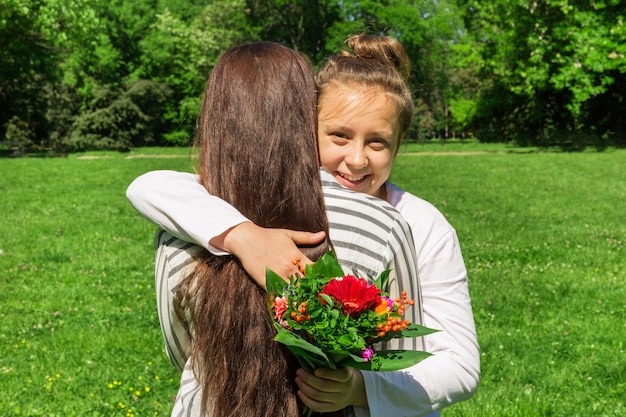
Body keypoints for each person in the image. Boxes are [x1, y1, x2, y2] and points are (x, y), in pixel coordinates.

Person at [127, 35, 480, 416]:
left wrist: (362, 388)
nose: (357, 159)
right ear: (304, 130)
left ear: (399, 144)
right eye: (339, 136)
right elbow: (151, 186)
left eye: (378, 142)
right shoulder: (263, 201)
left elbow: (458, 366)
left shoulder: (420, 223)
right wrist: (245, 236)